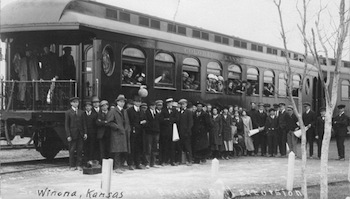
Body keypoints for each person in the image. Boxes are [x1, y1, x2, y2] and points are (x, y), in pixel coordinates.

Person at [107, 94, 131, 173]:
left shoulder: (124, 111)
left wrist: (127, 129)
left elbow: (127, 122)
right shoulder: (113, 111)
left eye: (123, 102)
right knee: (117, 151)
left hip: (124, 133)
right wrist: (117, 127)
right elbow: (109, 122)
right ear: (117, 102)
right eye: (120, 101)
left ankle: (120, 165)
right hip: (116, 134)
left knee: (122, 151)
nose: (122, 103)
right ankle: (116, 167)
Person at [65, 97, 87, 171]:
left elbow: (84, 124)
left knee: (80, 150)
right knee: (72, 150)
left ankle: (79, 165)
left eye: (77, 102)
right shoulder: (68, 112)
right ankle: (72, 165)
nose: (76, 103)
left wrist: (85, 133)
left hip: (80, 134)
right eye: (74, 102)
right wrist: (68, 135)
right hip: (72, 134)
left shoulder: (81, 112)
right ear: (71, 103)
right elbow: (67, 125)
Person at [126, 96, 145, 170]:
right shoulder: (129, 110)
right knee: (132, 148)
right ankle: (130, 164)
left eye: (139, 102)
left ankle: (137, 163)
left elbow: (144, 119)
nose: (138, 103)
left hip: (140, 132)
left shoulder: (142, 111)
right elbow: (129, 121)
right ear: (134, 102)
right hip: (132, 131)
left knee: (138, 148)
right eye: (137, 101)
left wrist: (144, 122)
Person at [158, 98, 177, 166]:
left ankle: (172, 161)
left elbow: (177, 119)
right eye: (169, 103)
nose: (170, 104)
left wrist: (169, 119)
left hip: (172, 131)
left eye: (171, 103)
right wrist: (168, 120)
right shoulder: (163, 111)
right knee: (164, 146)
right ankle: (163, 161)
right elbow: (161, 120)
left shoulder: (174, 110)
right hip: (164, 132)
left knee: (172, 147)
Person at [144, 101, 161, 168]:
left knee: (154, 147)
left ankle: (153, 162)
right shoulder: (146, 112)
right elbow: (146, 122)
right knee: (148, 147)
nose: (153, 107)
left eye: (154, 105)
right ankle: (147, 163)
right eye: (152, 105)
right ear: (150, 106)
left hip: (156, 132)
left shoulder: (157, 113)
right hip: (149, 132)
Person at [178, 99, 194, 166]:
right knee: (180, 147)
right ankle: (181, 160)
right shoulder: (179, 112)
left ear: (186, 104)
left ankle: (189, 160)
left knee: (188, 147)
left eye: (183, 104)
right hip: (180, 132)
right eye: (181, 104)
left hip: (186, 132)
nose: (182, 105)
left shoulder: (188, 112)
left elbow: (190, 123)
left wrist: (187, 131)